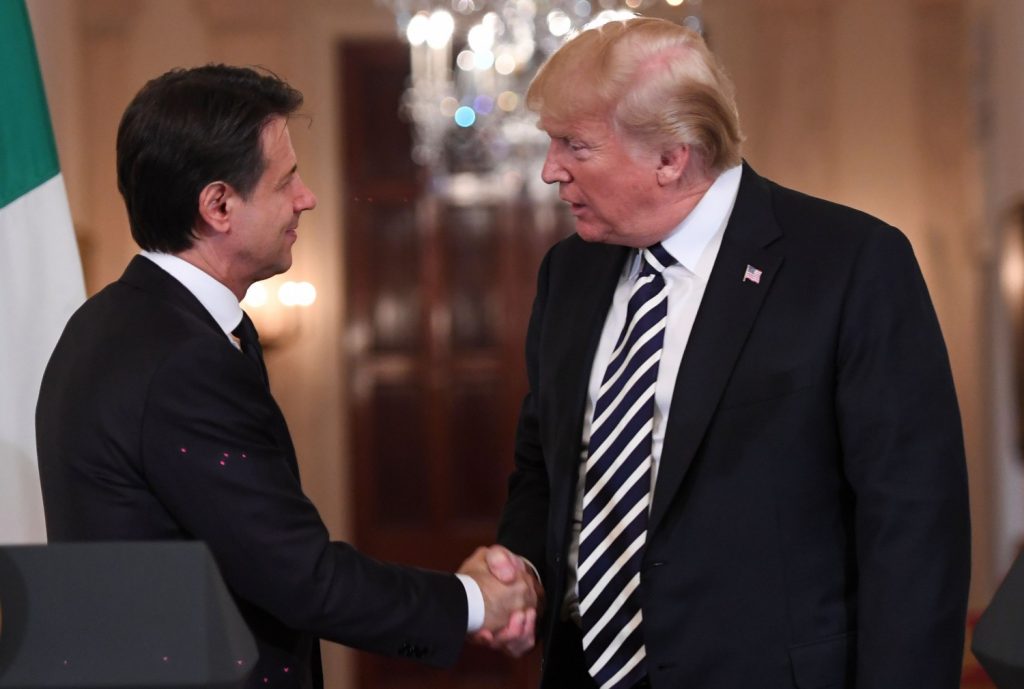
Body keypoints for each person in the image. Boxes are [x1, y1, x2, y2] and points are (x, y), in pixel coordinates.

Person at [487, 17, 972, 689]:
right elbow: (543, 465)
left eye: (575, 145)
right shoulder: (568, 273)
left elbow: (914, 527)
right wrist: (523, 572)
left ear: (671, 156)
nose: (549, 170)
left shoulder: (850, 263)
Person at [35, 64, 536, 689]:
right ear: (219, 205)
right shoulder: (182, 359)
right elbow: (301, 578)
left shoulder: (114, 322)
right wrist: (476, 602)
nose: (307, 197)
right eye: (286, 180)